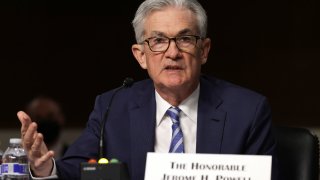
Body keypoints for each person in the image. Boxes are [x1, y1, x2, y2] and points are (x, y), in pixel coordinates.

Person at [17, 0, 279, 179]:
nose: (172, 53)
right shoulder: (112, 107)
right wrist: (44, 167)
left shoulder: (247, 111)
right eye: (158, 41)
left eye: (185, 39)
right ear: (140, 55)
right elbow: (75, 169)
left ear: (204, 50)